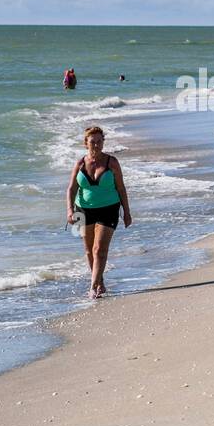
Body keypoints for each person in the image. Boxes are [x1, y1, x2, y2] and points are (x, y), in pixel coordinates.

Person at [67, 126, 132, 299]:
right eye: (92, 142)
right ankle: (100, 283)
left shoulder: (112, 162)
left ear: (103, 142)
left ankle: (92, 286)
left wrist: (126, 212)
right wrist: (69, 210)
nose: (96, 145)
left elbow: (121, 188)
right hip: (83, 210)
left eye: (99, 141)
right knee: (89, 251)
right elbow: (71, 189)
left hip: (108, 209)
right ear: (86, 144)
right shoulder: (80, 163)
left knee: (99, 250)